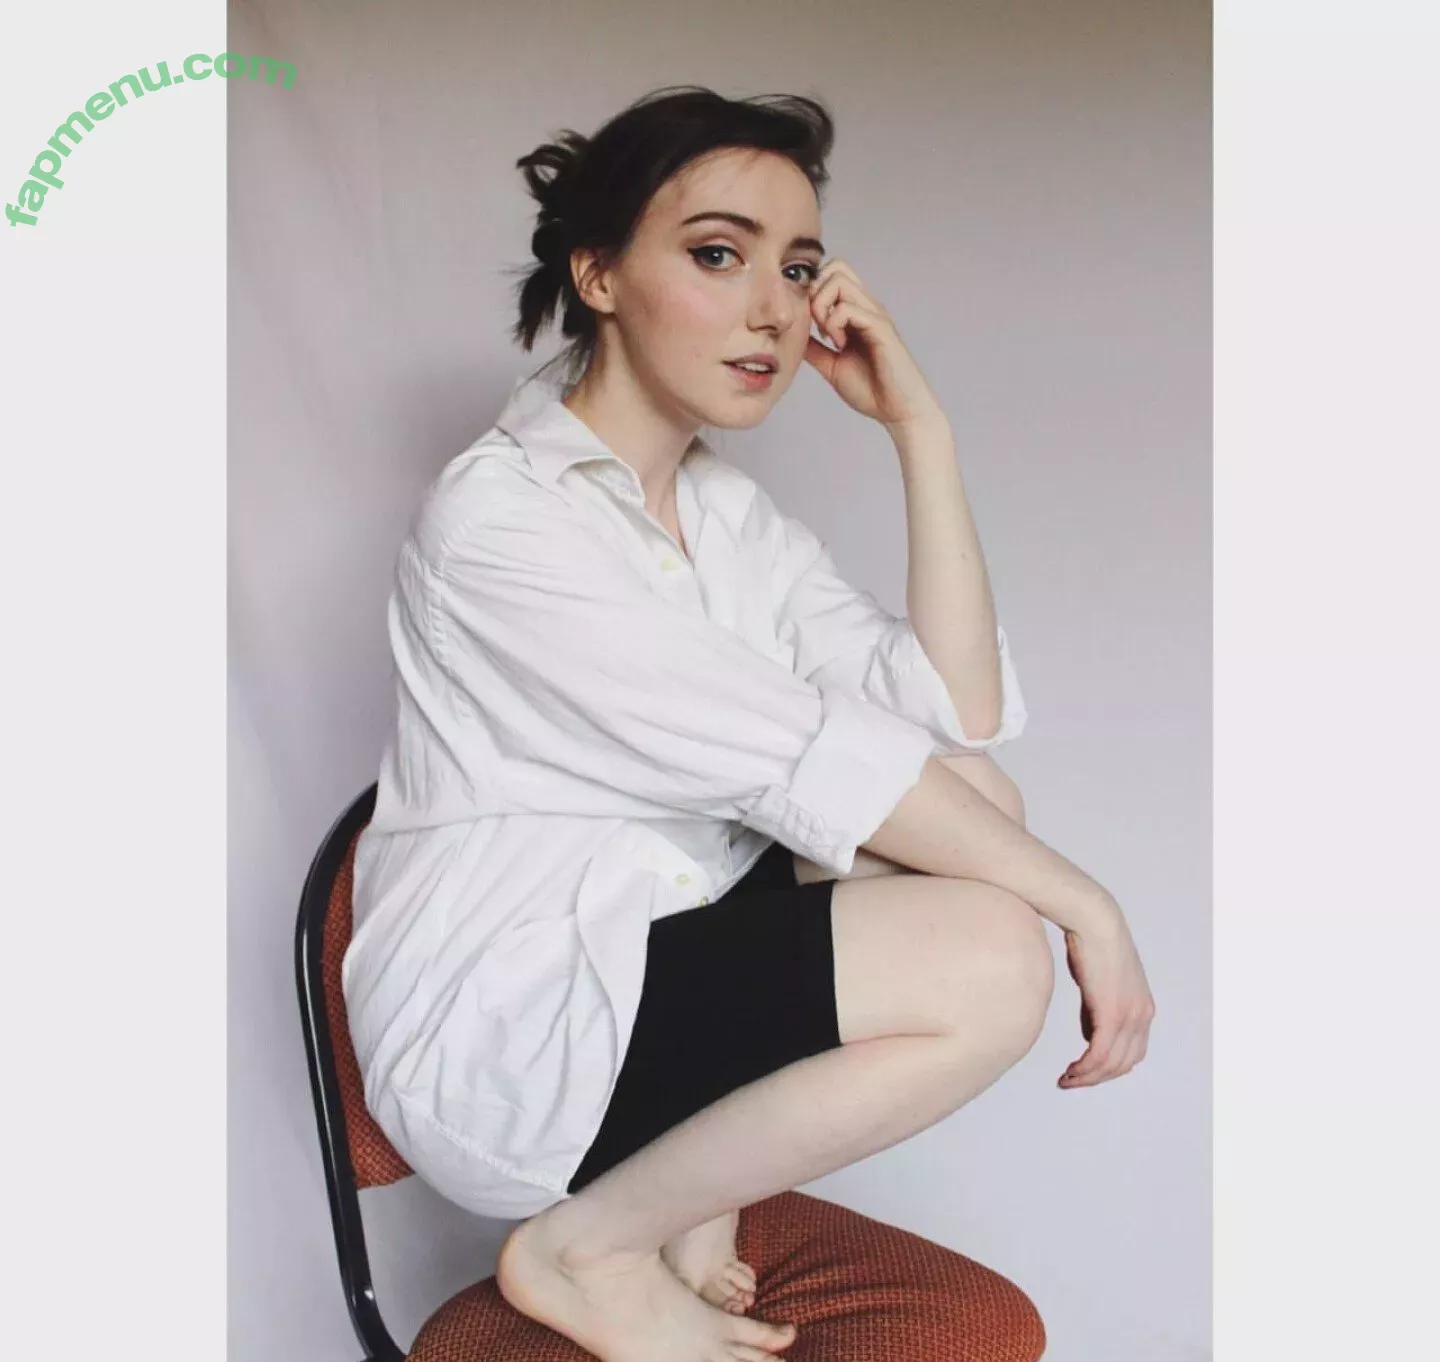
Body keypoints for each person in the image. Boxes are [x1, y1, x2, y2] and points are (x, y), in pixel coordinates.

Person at [343, 84, 1155, 1362]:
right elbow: (805, 760)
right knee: (996, 953)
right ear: (599, 275)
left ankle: (684, 1206)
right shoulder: (500, 520)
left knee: (973, 800)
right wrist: (1087, 907)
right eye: (719, 255)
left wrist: (921, 432)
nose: (775, 308)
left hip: (653, 948)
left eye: (799, 266)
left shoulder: (726, 518)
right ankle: (583, 1249)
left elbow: (951, 716)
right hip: (516, 1014)